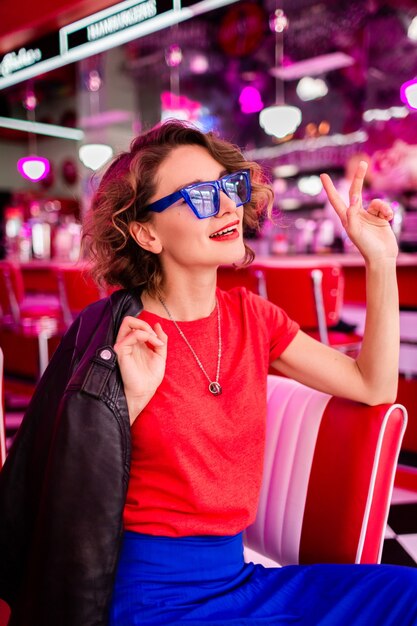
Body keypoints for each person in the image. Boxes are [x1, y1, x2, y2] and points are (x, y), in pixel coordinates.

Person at [0, 120, 417, 626]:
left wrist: (380, 261)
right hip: (146, 595)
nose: (225, 205)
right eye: (198, 195)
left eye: (229, 185)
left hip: (238, 580)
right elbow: (69, 482)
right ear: (146, 232)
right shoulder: (116, 334)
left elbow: (373, 386)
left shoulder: (252, 317)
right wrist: (125, 400)